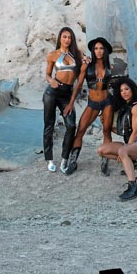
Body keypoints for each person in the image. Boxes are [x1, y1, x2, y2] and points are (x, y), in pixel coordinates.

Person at [64, 36, 115, 175]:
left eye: (101, 48)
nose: (99, 51)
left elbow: (114, 86)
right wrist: (70, 103)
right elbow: (79, 85)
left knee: (106, 131)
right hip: (92, 103)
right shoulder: (87, 65)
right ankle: (73, 162)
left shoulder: (110, 67)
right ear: (93, 50)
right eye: (96, 48)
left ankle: (105, 162)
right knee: (80, 131)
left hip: (107, 103)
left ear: (105, 51)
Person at [98, 77, 137, 200]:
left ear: (132, 90)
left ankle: (133, 188)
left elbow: (136, 131)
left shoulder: (136, 108)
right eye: (121, 90)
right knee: (101, 150)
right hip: (129, 144)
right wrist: (106, 124)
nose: (124, 92)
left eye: (127, 89)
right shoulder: (124, 108)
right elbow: (123, 131)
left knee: (123, 151)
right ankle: (131, 162)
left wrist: (125, 149)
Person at [42, 27, 84, 172]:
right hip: (52, 92)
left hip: (67, 94)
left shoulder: (77, 54)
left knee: (71, 125)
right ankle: (49, 159)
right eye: (64, 37)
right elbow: (47, 75)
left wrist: (87, 60)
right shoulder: (53, 55)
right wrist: (51, 81)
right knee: (49, 124)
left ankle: (65, 159)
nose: (67, 40)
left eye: (69, 37)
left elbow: (82, 74)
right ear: (60, 38)